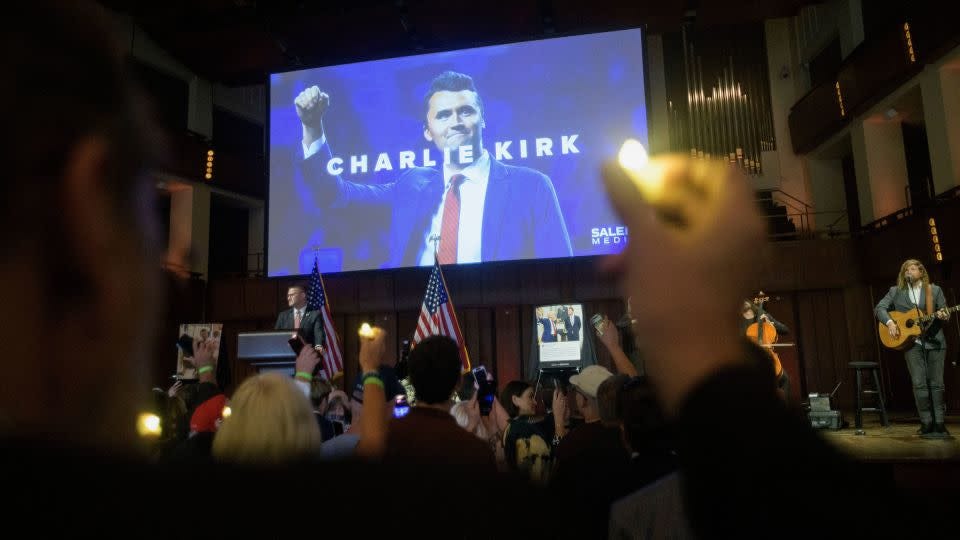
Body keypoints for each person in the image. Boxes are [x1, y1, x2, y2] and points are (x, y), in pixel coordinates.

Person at [294, 71, 572, 267]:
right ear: (428, 132)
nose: (456, 122)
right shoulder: (411, 185)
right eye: (443, 115)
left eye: (465, 111)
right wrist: (312, 127)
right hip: (421, 317)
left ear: (483, 120)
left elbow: (561, 271)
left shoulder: (532, 186)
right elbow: (335, 195)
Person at [874, 259, 952, 437]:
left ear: (921, 272)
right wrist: (890, 323)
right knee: (919, 384)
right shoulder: (896, 291)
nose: (909, 271)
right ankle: (926, 422)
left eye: (913, 268)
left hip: (935, 342)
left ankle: (939, 423)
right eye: (906, 269)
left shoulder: (934, 290)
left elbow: (945, 313)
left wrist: (944, 314)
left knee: (937, 384)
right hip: (912, 344)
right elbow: (880, 308)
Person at [740, 299, 791, 401]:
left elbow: (785, 330)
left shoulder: (762, 314)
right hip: (747, 360)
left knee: (785, 381)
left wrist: (770, 324)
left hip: (767, 357)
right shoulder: (737, 322)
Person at [275, 285, 326, 354]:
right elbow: (276, 336)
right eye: (288, 296)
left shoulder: (314, 314)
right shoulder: (283, 316)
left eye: (292, 295)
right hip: (285, 354)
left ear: (303, 295)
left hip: (306, 356)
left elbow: (318, 334)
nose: (289, 298)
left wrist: (318, 346)